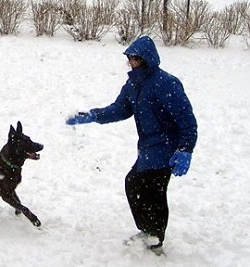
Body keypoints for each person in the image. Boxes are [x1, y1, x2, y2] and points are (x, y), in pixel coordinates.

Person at [66, 36, 197, 255]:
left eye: (134, 58)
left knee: (152, 190)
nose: (131, 62)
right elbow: (119, 109)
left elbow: (187, 119)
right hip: (148, 147)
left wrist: (185, 149)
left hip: (167, 147)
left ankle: (155, 237)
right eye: (129, 58)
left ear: (146, 58)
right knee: (135, 184)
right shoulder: (133, 84)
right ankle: (149, 231)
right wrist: (93, 115)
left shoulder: (165, 83)